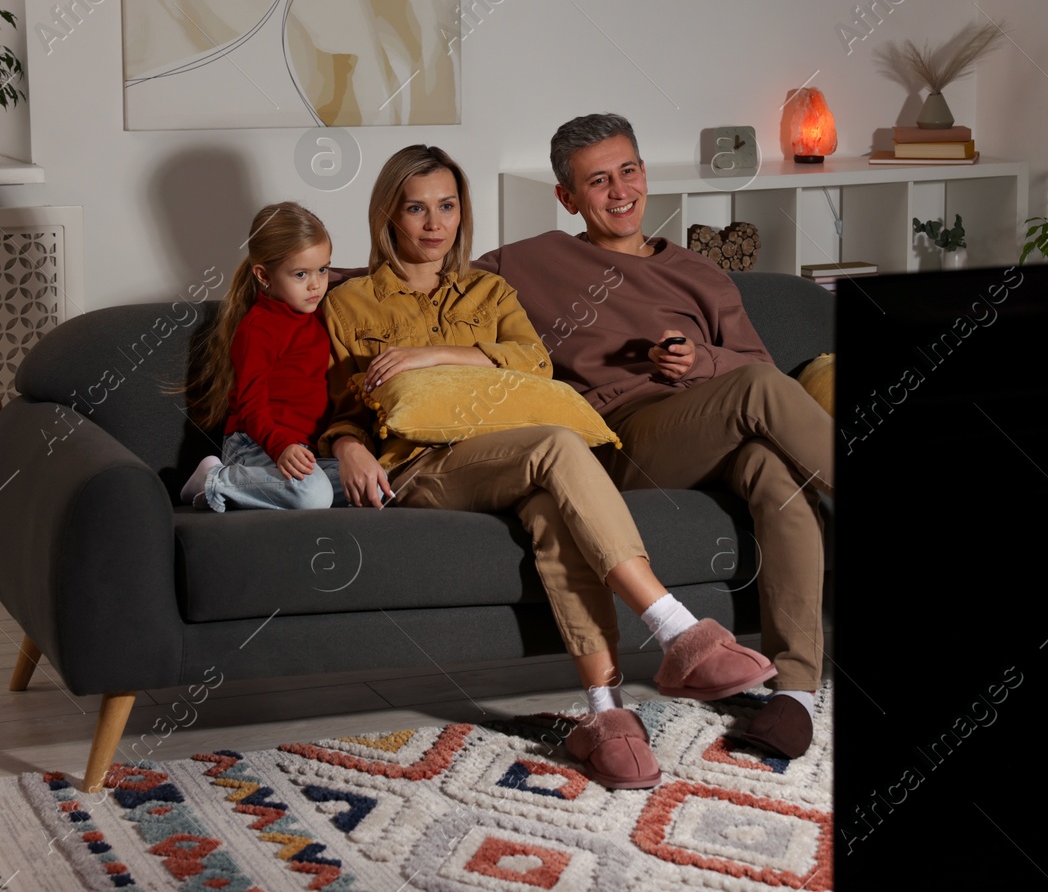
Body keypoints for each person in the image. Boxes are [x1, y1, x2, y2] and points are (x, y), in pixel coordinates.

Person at [320, 144, 774, 789]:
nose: (433, 223)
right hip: (424, 464)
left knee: (554, 515)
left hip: (509, 455)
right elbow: (338, 405)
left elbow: (532, 364)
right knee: (558, 445)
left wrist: (431, 355)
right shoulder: (350, 303)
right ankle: (677, 629)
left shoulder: (489, 289)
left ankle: (605, 714)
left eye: (447, 206)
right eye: (415, 208)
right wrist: (348, 446)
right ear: (388, 216)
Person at [473, 114, 835, 759]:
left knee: (778, 475)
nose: (620, 192)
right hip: (624, 445)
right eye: (598, 181)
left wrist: (701, 361)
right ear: (568, 198)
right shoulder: (532, 262)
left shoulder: (701, 274)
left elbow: (756, 363)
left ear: (646, 174)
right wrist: (310, 279)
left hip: (712, 426)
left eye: (629, 171)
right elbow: (426, 271)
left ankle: (797, 694)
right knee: (759, 395)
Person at [180, 201, 346, 512]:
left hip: (305, 450)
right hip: (257, 445)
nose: (316, 284)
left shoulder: (319, 315)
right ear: (264, 276)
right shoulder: (259, 327)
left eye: (322, 269)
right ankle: (214, 480)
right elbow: (251, 405)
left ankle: (265, 492)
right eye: (301, 274)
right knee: (313, 497)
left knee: (369, 480)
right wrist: (280, 446)